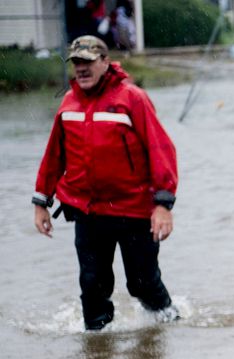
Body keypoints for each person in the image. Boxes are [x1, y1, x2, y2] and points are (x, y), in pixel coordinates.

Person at [33, 36, 179, 331]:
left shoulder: (132, 98)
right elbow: (54, 156)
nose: (81, 69)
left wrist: (163, 205)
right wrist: (41, 202)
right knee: (92, 286)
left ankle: (169, 326)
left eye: (87, 61)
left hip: (135, 210)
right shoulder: (68, 102)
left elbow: (160, 149)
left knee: (142, 283)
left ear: (104, 62)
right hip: (88, 212)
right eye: (76, 62)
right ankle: (97, 353)